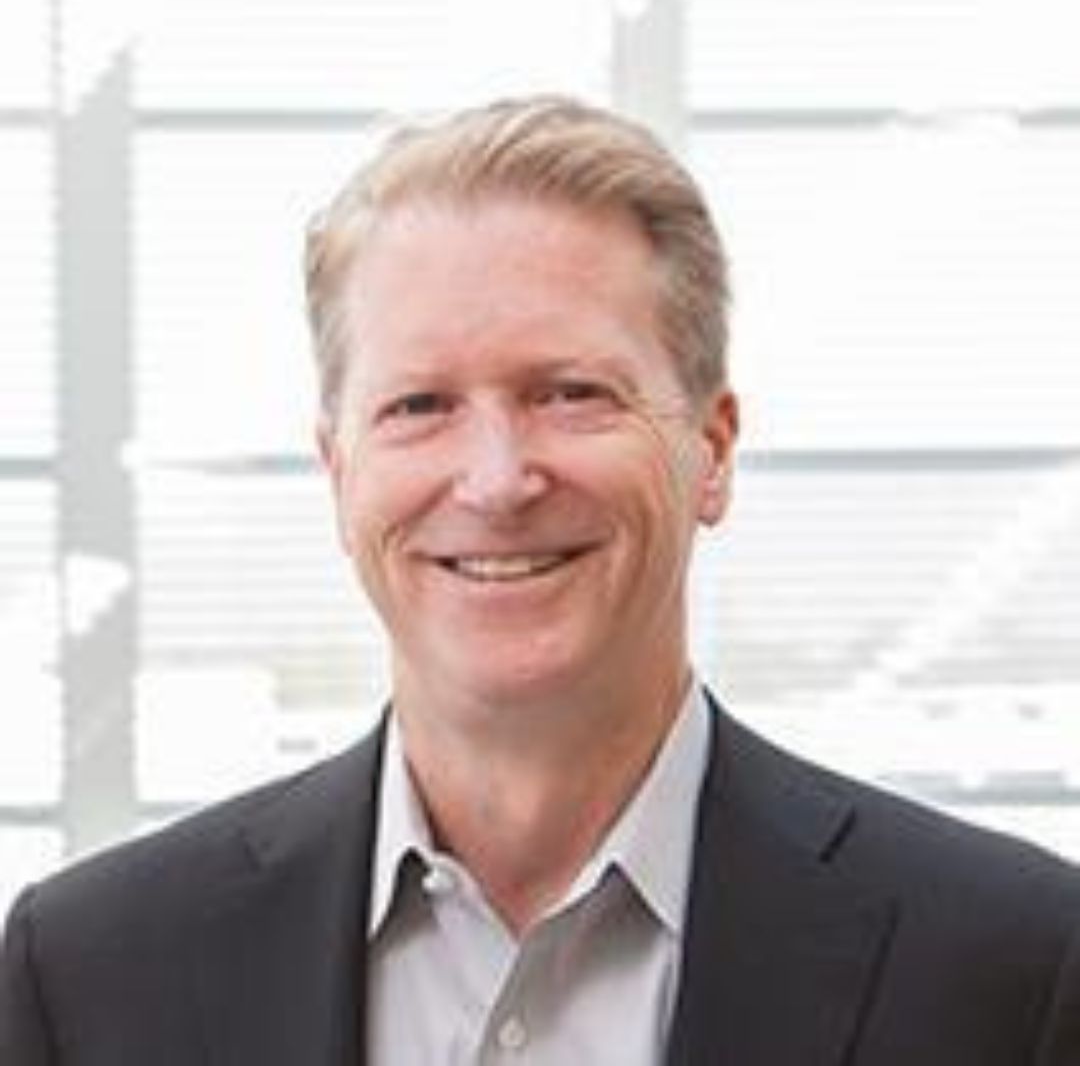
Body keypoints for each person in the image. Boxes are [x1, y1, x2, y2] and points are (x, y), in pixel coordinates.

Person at [2, 95, 1079, 1066]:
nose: (498, 480)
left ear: (712, 451)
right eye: (420, 406)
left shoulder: (1015, 970)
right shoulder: (89, 978)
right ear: (339, 473)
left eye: (570, 394)